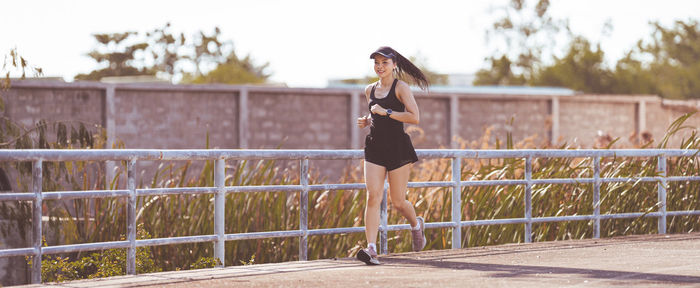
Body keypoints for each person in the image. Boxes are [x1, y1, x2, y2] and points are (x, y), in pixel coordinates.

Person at [355, 46, 429, 265]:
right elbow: (375, 113)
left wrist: (386, 112)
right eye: (376, 63)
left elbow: (414, 117)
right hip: (375, 146)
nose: (380, 67)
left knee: (398, 201)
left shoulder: (401, 88)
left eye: (384, 63)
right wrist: (367, 120)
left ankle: (416, 225)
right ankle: (371, 249)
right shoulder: (369, 89)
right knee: (373, 196)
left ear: (394, 65)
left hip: (397, 147)